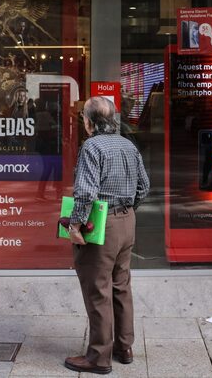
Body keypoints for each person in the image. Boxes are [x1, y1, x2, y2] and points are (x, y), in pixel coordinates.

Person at [64, 97, 150, 375]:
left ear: (88, 122)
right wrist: (128, 210)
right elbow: (144, 186)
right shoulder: (128, 144)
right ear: (112, 119)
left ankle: (99, 357)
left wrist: (75, 225)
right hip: (127, 222)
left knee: (97, 289)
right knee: (120, 285)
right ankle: (124, 347)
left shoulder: (91, 146)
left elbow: (86, 192)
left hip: (102, 224)